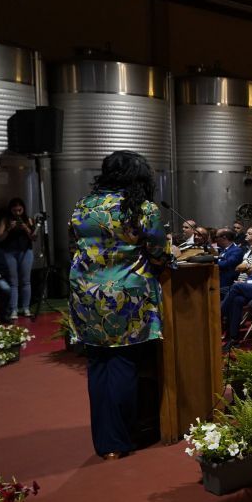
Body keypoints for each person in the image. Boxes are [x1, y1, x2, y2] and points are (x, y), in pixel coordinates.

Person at [68, 151, 170, 460]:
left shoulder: (83, 205)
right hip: (126, 297)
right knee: (125, 363)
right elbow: (157, 255)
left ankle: (105, 442)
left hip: (86, 293)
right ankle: (121, 439)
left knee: (98, 364)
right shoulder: (141, 208)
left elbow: (76, 245)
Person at [0, 197, 36, 319]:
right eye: (15, 211)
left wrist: (26, 228)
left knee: (26, 281)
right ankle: (14, 310)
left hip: (25, 252)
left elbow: (34, 237)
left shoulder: (28, 219)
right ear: (10, 210)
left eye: (20, 210)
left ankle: (26, 308)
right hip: (9, 252)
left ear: (23, 209)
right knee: (13, 281)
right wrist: (8, 229)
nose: (17, 213)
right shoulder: (5, 220)